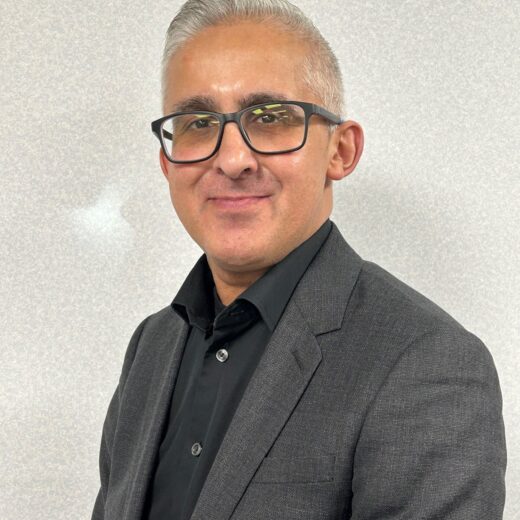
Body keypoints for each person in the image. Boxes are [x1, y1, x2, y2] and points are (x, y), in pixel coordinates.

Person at [91, 1, 507, 518]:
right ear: (167, 162)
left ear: (340, 151)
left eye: (269, 118)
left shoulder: (426, 363)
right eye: (197, 122)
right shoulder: (150, 348)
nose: (232, 158)